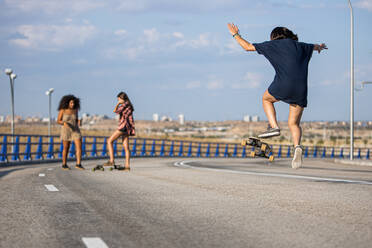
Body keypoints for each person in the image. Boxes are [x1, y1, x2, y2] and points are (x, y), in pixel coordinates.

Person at [227, 23, 327, 169]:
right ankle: (297, 147)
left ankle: (274, 127)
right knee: (294, 123)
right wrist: (320, 46)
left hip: (283, 85)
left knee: (266, 98)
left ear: (274, 37)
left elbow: (247, 47)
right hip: (301, 89)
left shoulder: (272, 45)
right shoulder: (303, 46)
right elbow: (315, 46)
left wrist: (235, 34)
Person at [103, 92, 135, 170]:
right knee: (126, 147)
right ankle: (127, 166)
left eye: (119, 99)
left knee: (109, 141)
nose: (118, 101)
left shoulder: (124, 105)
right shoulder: (129, 105)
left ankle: (111, 160)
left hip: (123, 126)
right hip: (128, 128)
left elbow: (115, 111)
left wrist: (118, 104)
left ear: (122, 99)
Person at [57, 95, 84, 170]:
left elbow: (76, 120)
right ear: (67, 103)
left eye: (74, 103)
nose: (73, 104)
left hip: (75, 130)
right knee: (66, 148)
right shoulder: (63, 110)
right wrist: (63, 123)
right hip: (66, 130)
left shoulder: (75, 110)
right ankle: (64, 164)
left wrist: (79, 121)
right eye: (71, 103)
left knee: (79, 147)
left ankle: (78, 164)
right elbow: (58, 121)